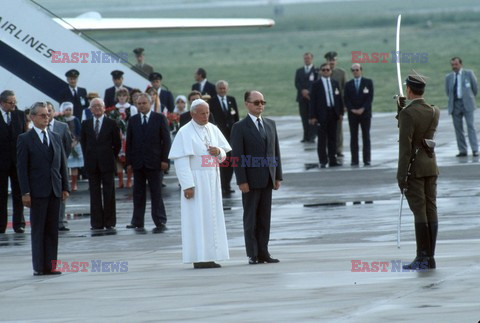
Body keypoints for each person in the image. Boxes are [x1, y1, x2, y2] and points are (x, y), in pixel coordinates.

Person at [168, 98, 230, 268]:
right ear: (192, 114)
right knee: (196, 218)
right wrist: (187, 185)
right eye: (202, 113)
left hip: (212, 178)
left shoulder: (213, 129)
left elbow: (224, 154)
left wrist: (219, 152)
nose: (205, 116)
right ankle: (198, 257)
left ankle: (211, 255)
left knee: (212, 217)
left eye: (207, 113)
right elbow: (181, 161)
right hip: (196, 180)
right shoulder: (184, 132)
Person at [16, 102, 69, 275]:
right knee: (38, 230)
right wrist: (25, 192)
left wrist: (65, 187)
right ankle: (39, 266)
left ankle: (51, 265)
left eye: (48, 114)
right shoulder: (25, 139)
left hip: (54, 189)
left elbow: (62, 164)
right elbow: (22, 168)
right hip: (37, 192)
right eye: (42, 115)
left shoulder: (55, 136)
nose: (46, 118)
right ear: (32, 117)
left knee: (52, 230)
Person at [231, 90, 283, 265]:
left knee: (264, 219)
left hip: (268, 179)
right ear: (247, 104)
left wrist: (278, 176)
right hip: (250, 181)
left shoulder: (270, 124)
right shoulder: (239, 127)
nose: (260, 105)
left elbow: (275, 152)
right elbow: (237, 157)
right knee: (251, 218)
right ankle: (252, 253)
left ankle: (264, 252)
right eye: (256, 102)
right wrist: (241, 180)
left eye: (262, 102)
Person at [396, 72, 440, 270]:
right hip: (430, 164)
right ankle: (429, 257)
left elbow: (405, 146)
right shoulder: (434, 111)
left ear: (408, 90)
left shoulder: (408, 114)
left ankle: (422, 257)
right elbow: (421, 132)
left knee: (419, 211)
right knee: (431, 208)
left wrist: (401, 174)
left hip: (414, 167)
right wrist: (401, 112)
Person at [125, 93, 171, 233]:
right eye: (139, 104)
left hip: (155, 162)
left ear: (150, 103)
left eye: (144, 103)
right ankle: (137, 221)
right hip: (138, 163)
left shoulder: (159, 118)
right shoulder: (133, 120)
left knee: (156, 192)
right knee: (138, 193)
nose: (142, 106)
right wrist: (129, 163)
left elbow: (166, 141)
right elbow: (129, 143)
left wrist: (165, 160)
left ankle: (159, 220)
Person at [80, 98, 121, 230]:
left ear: (104, 108)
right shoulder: (85, 124)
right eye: (94, 106)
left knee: (109, 193)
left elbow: (117, 144)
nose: (97, 108)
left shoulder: (112, 123)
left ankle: (109, 222)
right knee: (94, 193)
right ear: (90, 109)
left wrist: (110, 156)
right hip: (92, 164)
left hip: (107, 163)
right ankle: (96, 222)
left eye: (99, 106)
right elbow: (83, 143)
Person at [0, 90, 26, 233]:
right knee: (1, 195)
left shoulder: (20, 115)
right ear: (2, 103)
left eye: (15, 102)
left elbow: (24, 137)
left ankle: (19, 223)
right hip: (1, 162)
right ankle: (1, 225)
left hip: (17, 162)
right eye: (11, 103)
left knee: (18, 193)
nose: (14, 105)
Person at [309, 63, 344, 168]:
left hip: (333, 113)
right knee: (322, 139)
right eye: (323, 70)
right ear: (320, 71)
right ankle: (323, 160)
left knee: (333, 138)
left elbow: (339, 99)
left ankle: (333, 160)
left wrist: (340, 112)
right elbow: (313, 102)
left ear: (330, 71)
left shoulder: (335, 83)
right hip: (321, 115)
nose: (326, 71)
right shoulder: (316, 85)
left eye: (328, 70)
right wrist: (313, 116)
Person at [208, 80, 239, 196]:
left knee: (231, 162)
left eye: (224, 88)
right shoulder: (212, 101)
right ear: (216, 89)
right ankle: (221, 185)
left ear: (227, 89)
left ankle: (228, 185)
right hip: (219, 136)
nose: (222, 90)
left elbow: (236, 117)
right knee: (221, 162)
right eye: (220, 88)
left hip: (231, 136)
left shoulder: (231, 100)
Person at [445, 57, 478, 157]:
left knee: (470, 126)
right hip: (455, 105)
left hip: (467, 104)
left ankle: (475, 149)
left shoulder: (468, 74)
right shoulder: (449, 77)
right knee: (458, 128)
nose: (454, 67)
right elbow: (448, 92)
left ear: (460, 64)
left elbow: (475, 88)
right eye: (452, 65)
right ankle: (462, 150)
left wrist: (469, 98)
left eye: (456, 64)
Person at [46, 102, 72, 231]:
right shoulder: (37, 127)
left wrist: (60, 162)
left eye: (50, 110)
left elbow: (67, 146)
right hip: (43, 168)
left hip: (59, 167)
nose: (48, 113)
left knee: (61, 193)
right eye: (46, 111)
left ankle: (60, 221)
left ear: (54, 111)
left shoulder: (62, 126)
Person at [343, 63, 374, 166]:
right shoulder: (348, 84)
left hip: (365, 114)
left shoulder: (368, 82)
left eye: (357, 70)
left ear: (361, 70)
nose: (355, 72)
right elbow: (346, 99)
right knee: (354, 137)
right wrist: (352, 109)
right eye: (353, 70)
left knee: (366, 136)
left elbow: (370, 98)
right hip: (353, 115)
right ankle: (354, 160)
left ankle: (367, 159)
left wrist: (363, 108)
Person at [108, 87, 138, 189]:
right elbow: (111, 123)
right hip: (118, 135)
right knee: (118, 159)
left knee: (129, 158)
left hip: (128, 135)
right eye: (120, 96)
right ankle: (120, 180)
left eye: (124, 95)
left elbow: (134, 122)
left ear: (127, 97)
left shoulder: (132, 108)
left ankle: (129, 179)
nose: (122, 98)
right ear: (117, 97)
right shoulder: (113, 109)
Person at [325, 51, 347, 158]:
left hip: (338, 106)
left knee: (338, 130)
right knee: (326, 130)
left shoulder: (341, 73)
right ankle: (329, 150)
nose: (331, 62)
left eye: (333, 60)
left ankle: (338, 149)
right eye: (329, 60)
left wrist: (344, 106)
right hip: (326, 107)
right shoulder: (322, 72)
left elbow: (344, 90)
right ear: (327, 61)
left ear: (336, 61)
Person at [60, 102, 83, 191]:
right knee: (64, 165)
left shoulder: (75, 119)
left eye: (70, 109)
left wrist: (76, 141)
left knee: (74, 165)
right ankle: (66, 184)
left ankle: (74, 184)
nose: (68, 111)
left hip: (75, 144)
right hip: (64, 144)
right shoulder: (61, 119)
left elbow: (79, 131)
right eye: (66, 110)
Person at [295, 52, 317, 143]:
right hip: (301, 98)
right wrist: (302, 91)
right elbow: (297, 83)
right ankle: (306, 136)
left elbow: (316, 82)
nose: (307, 60)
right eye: (305, 58)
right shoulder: (299, 71)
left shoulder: (316, 70)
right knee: (304, 117)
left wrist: (309, 91)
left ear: (312, 59)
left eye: (308, 58)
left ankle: (312, 136)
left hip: (311, 98)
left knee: (312, 117)